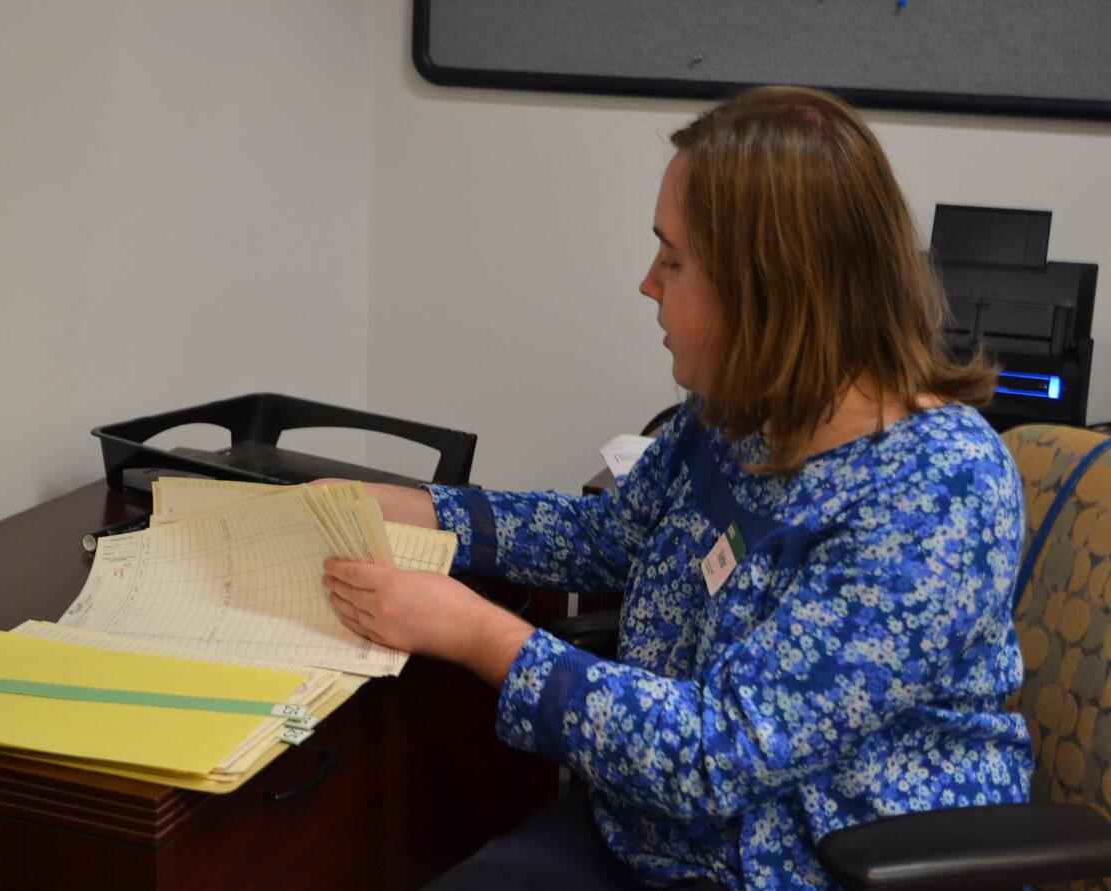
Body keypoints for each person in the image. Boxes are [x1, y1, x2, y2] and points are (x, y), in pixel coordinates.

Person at [321, 86, 1031, 890]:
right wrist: (421, 509)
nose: (647, 285)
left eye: (674, 260)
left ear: (770, 291)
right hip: (660, 832)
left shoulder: (938, 492)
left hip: (807, 864)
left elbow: (718, 751)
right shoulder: (738, 416)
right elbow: (608, 536)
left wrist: (478, 633)